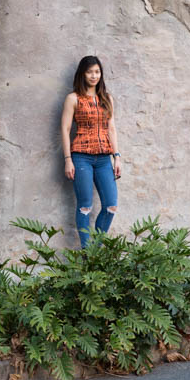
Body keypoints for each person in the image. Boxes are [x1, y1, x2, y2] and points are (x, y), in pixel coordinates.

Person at [60, 56, 121, 248]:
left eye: (97, 71)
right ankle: (87, 253)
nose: (94, 76)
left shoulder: (106, 98)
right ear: (82, 73)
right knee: (85, 206)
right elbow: (65, 129)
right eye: (89, 72)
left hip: (104, 159)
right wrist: (68, 159)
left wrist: (117, 157)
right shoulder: (73, 98)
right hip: (81, 157)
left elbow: (111, 128)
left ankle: (95, 248)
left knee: (111, 205)